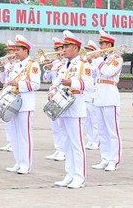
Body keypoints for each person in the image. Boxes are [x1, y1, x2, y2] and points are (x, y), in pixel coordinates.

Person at [52, 31, 93, 189]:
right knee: (66, 143)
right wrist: (52, 92)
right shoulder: (64, 66)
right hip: (63, 107)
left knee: (77, 144)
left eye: (67, 46)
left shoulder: (83, 65)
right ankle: (69, 174)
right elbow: (57, 82)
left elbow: (89, 84)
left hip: (75, 107)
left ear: (75, 48)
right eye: (63, 46)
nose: (64, 49)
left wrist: (72, 82)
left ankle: (79, 176)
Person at [2, 35, 40, 175]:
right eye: (15, 50)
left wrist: (18, 84)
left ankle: (26, 164)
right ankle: (18, 162)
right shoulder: (15, 65)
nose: (15, 52)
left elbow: (36, 84)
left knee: (24, 136)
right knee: (14, 135)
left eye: (18, 50)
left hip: (25, 105)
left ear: (26, 50)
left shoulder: (33, 65)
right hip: (13, 102)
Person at [91, 30, 123, 172]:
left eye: (103, 44)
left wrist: (97, 59)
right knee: (102, 131)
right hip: (99, 96)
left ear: (109, 44)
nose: (101, 46)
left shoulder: (117, 58)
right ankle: (105, 158)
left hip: (110, 96)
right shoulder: (101, 59)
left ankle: (114, 160)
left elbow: (108, 72)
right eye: (100, 44)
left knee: (112, 131)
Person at [43, 38, 67, 160]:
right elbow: (47, 79)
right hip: (52, 94)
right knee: (55, 126)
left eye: (58, 49)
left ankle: (63, 151)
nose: (55, 53)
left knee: (61, 125)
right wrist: (48, 68)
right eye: (55, 50)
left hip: (59, 96)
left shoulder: (63, 65)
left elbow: (62, 82)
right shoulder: (54, 65)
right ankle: (58, 149)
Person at [82, 40, 100, 150]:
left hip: (93, 95)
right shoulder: (84, 65)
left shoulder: (96, 65)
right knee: (86, 121)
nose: (87, 54)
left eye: (89, 52)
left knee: (94, 120)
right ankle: (90, 139)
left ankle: (96, 141)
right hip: (85, 95)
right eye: (86, 51)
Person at [0, 40, 17, 152]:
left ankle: (13, 142)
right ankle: (9, 141)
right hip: (6, 92)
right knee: (5, 119)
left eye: (10, 51)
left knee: (12, 120)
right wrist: (2, 69)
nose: (8, 53)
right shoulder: (8, 64)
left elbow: (13, 78)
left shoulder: (16, 64)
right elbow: (2, 80)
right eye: (8, 51)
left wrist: (7, 65)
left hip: (13, 93)